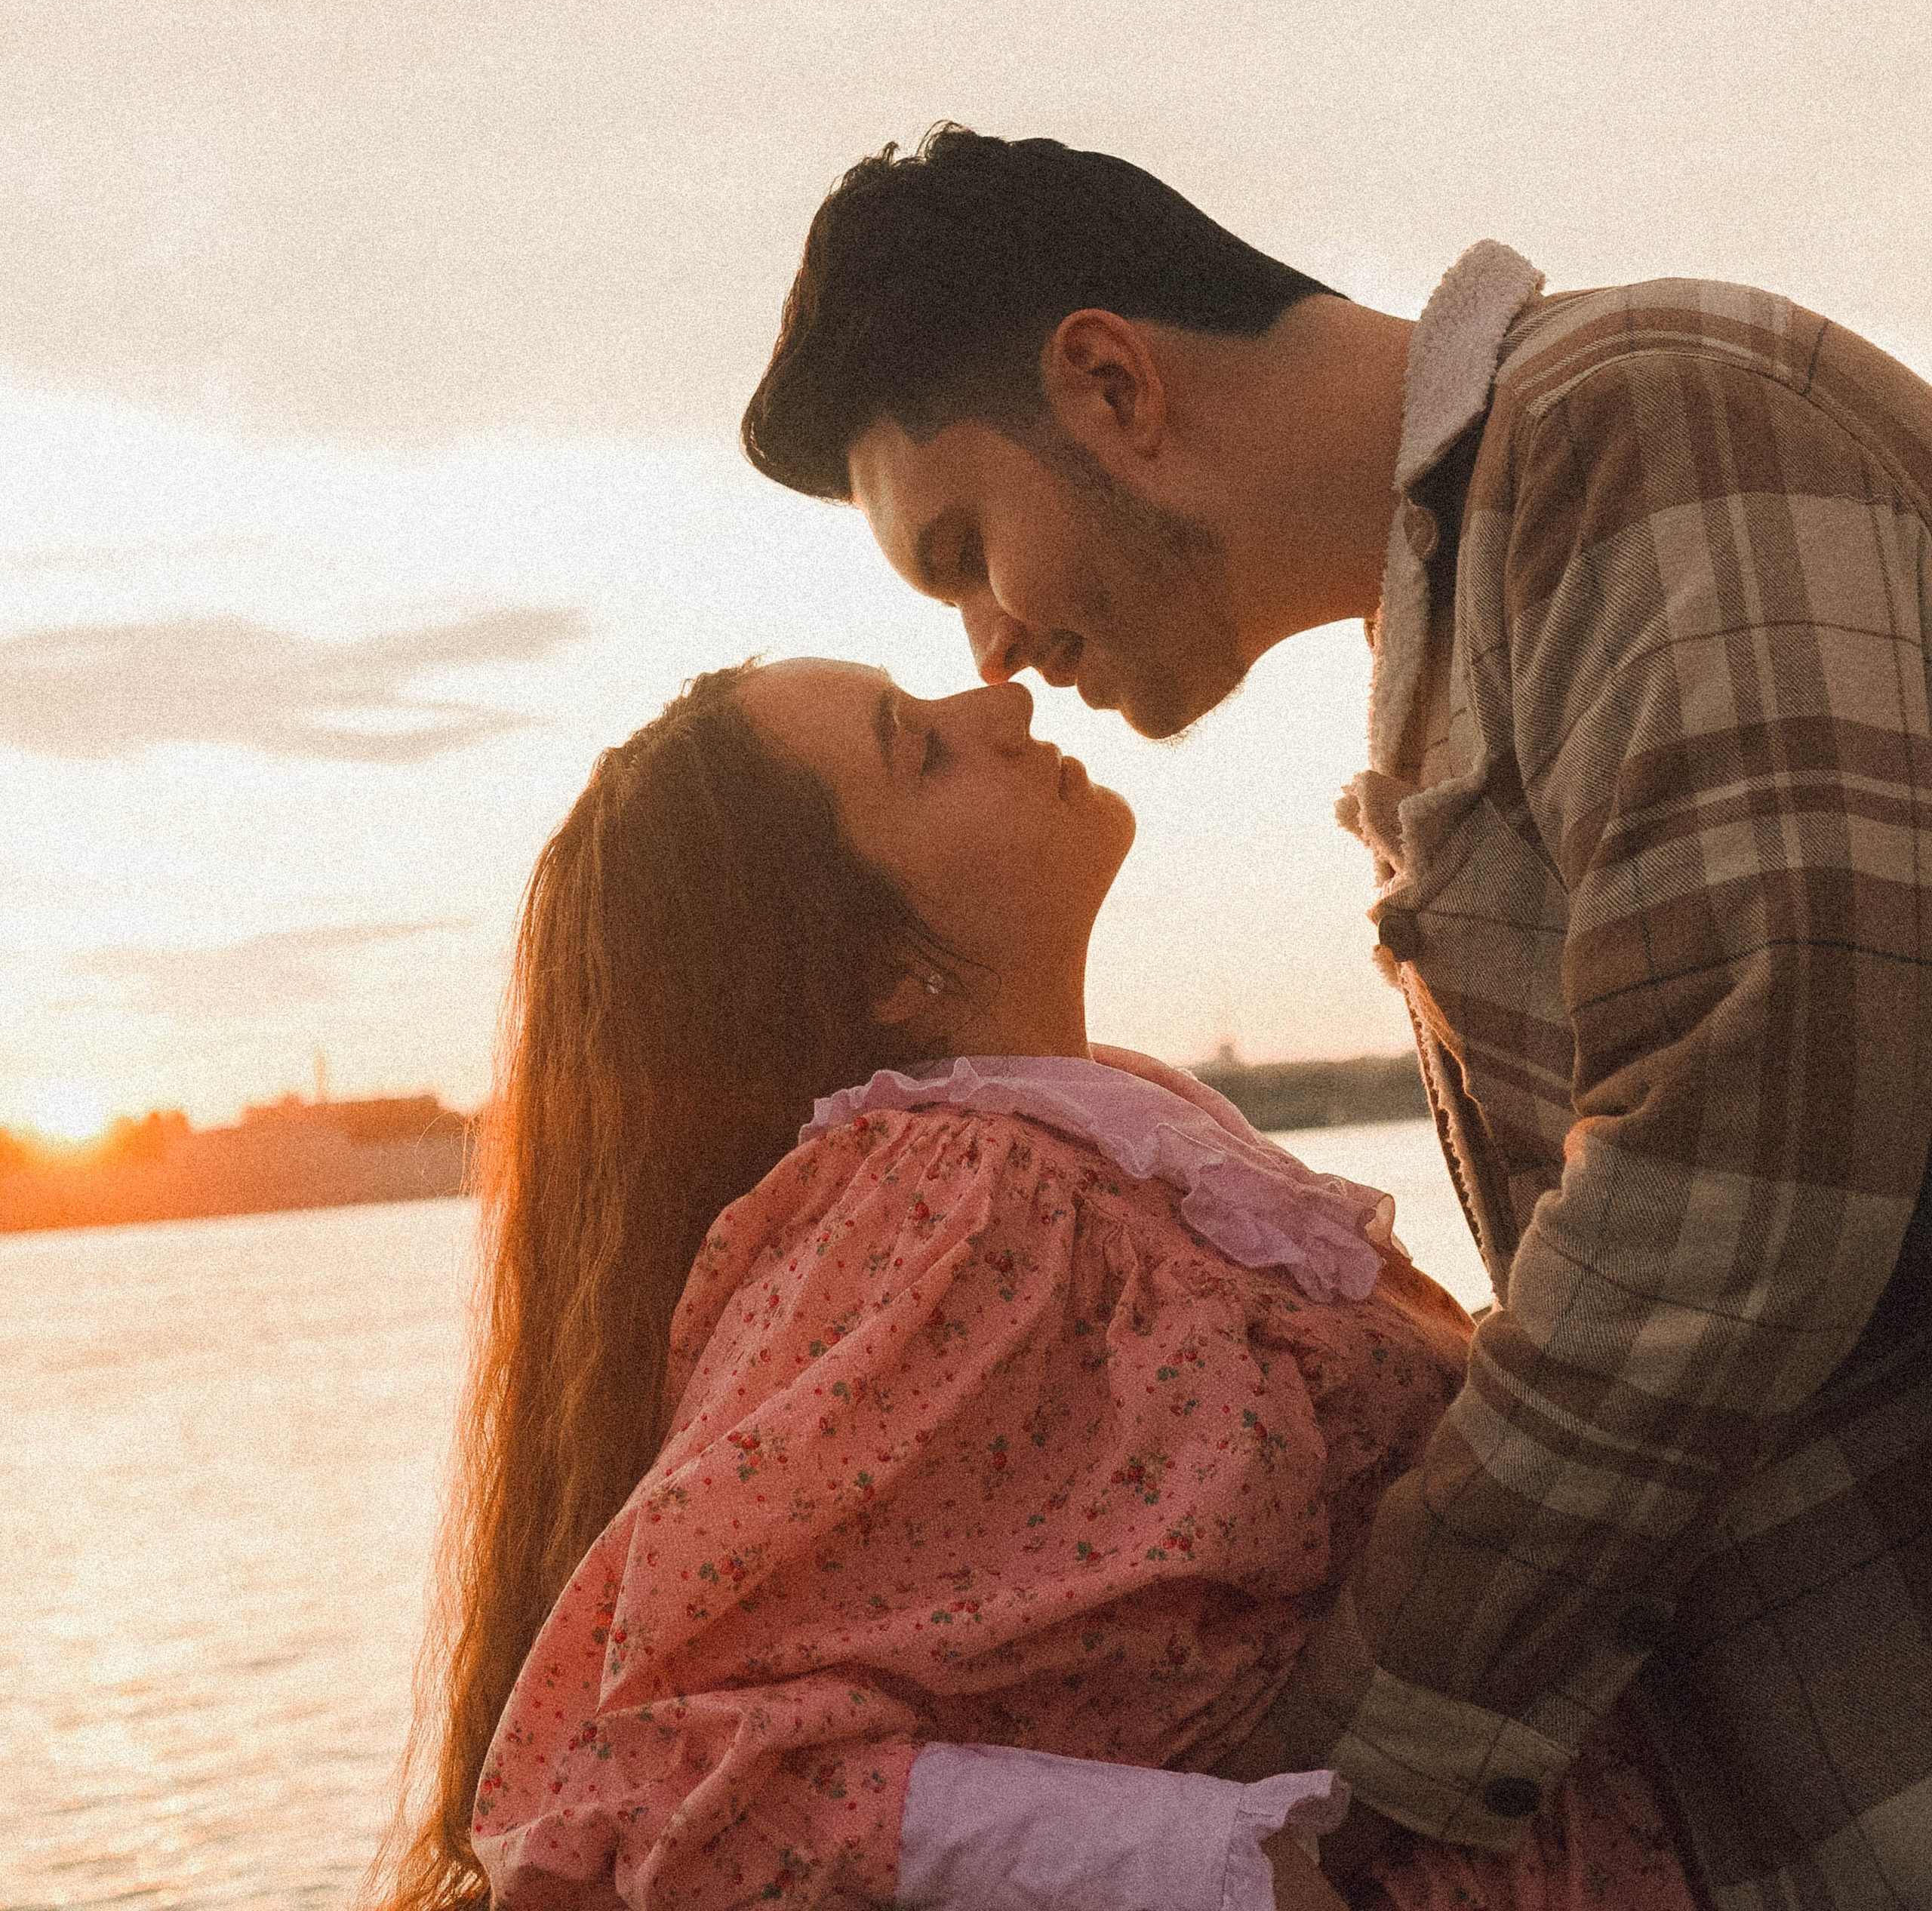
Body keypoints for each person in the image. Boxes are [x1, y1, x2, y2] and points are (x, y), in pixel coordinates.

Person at [740, 127, 1932, 1911]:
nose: (988, 647)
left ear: (1108, 381)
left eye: (967, 547)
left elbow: (1744, 1168)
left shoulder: (1638, 423)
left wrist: (1319, 1769)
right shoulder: (1472, 610)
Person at [374, 661, 1698, 1911]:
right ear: (888, 970)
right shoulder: (949, 1201)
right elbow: (648, 1783)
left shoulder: (1109, 1141)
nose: (997, 699)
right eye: (921, 749)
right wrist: (1223, 1867)